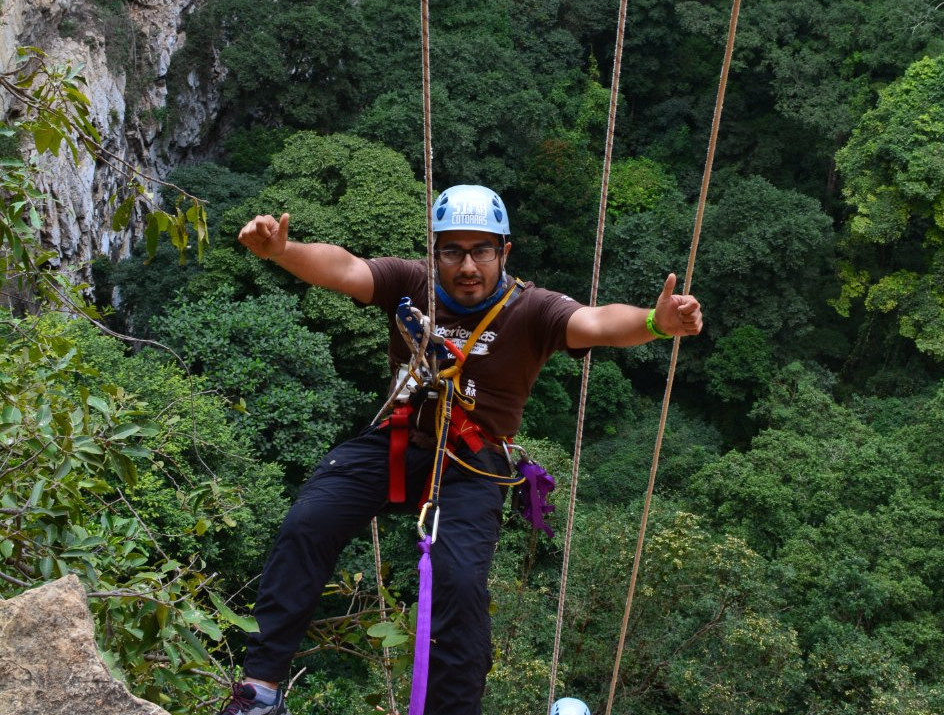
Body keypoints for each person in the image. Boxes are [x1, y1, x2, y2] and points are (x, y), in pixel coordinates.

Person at [219, 184, 703, 715]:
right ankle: (260, 690)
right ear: (435, 252)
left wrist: (656, 323)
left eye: (482, 251)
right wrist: (283, 252)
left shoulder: (532, 310)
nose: (467, 265)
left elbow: (594, 322)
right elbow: (346, 270)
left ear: (504, 252)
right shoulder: (412, 284)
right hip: (400, 441)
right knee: (308, 522)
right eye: (452, 250)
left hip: (474, 464)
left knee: (461, 584)